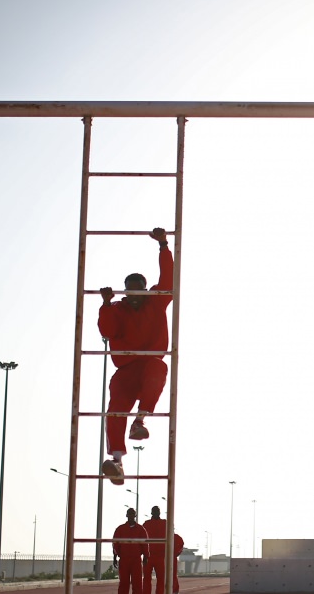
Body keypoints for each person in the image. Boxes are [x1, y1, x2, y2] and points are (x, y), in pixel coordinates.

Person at [98, 228, 173, 484]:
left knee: (157, 370)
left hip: (150, 363)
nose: (133, 298)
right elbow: (107, 331)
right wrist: (106, 305)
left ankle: (140, 420)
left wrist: (163, 244)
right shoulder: (118, 308)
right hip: (127, 369)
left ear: (144, 290)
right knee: (115, 408)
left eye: (137, 293)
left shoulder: (155, 300)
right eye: (129, 293)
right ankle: (117, 461)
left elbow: (168, 279)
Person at [142, 506, 185, 594]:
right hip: (149, 555)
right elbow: (142, 539)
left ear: (159, 512)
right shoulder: (146, 524)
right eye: (154, 511)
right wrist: (143, 553)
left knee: (161, 579)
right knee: (146, 578)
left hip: (161, 556)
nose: (156, 513)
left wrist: (173, 554)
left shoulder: (165, 523)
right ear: (151, 513)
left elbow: (175, 540)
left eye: (157, 511)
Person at [113, 508, 148, 594]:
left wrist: (146, 556)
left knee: (137, 583)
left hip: (136, 560)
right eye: (129, 514)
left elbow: (145, 544)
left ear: (135, 515)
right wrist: (114, 557)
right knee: (123, 583)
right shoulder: (120, 529)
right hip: (124, 559)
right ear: (126, 515)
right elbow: (115, 544)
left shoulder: (141, 529)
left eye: (133, 514)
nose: (131, 516)